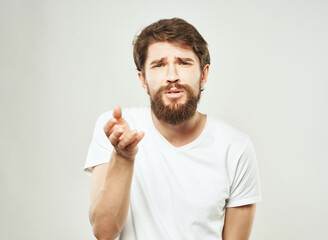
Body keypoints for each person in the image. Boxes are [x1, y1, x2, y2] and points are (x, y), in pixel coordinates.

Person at [84, 17, 262, 240]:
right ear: (143, 79)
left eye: (184, 63)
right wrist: (123, 157)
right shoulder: (117, 129)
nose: (172, 76)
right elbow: (104, 231)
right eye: (159, 65)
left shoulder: (236, 148)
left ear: (204, 74)